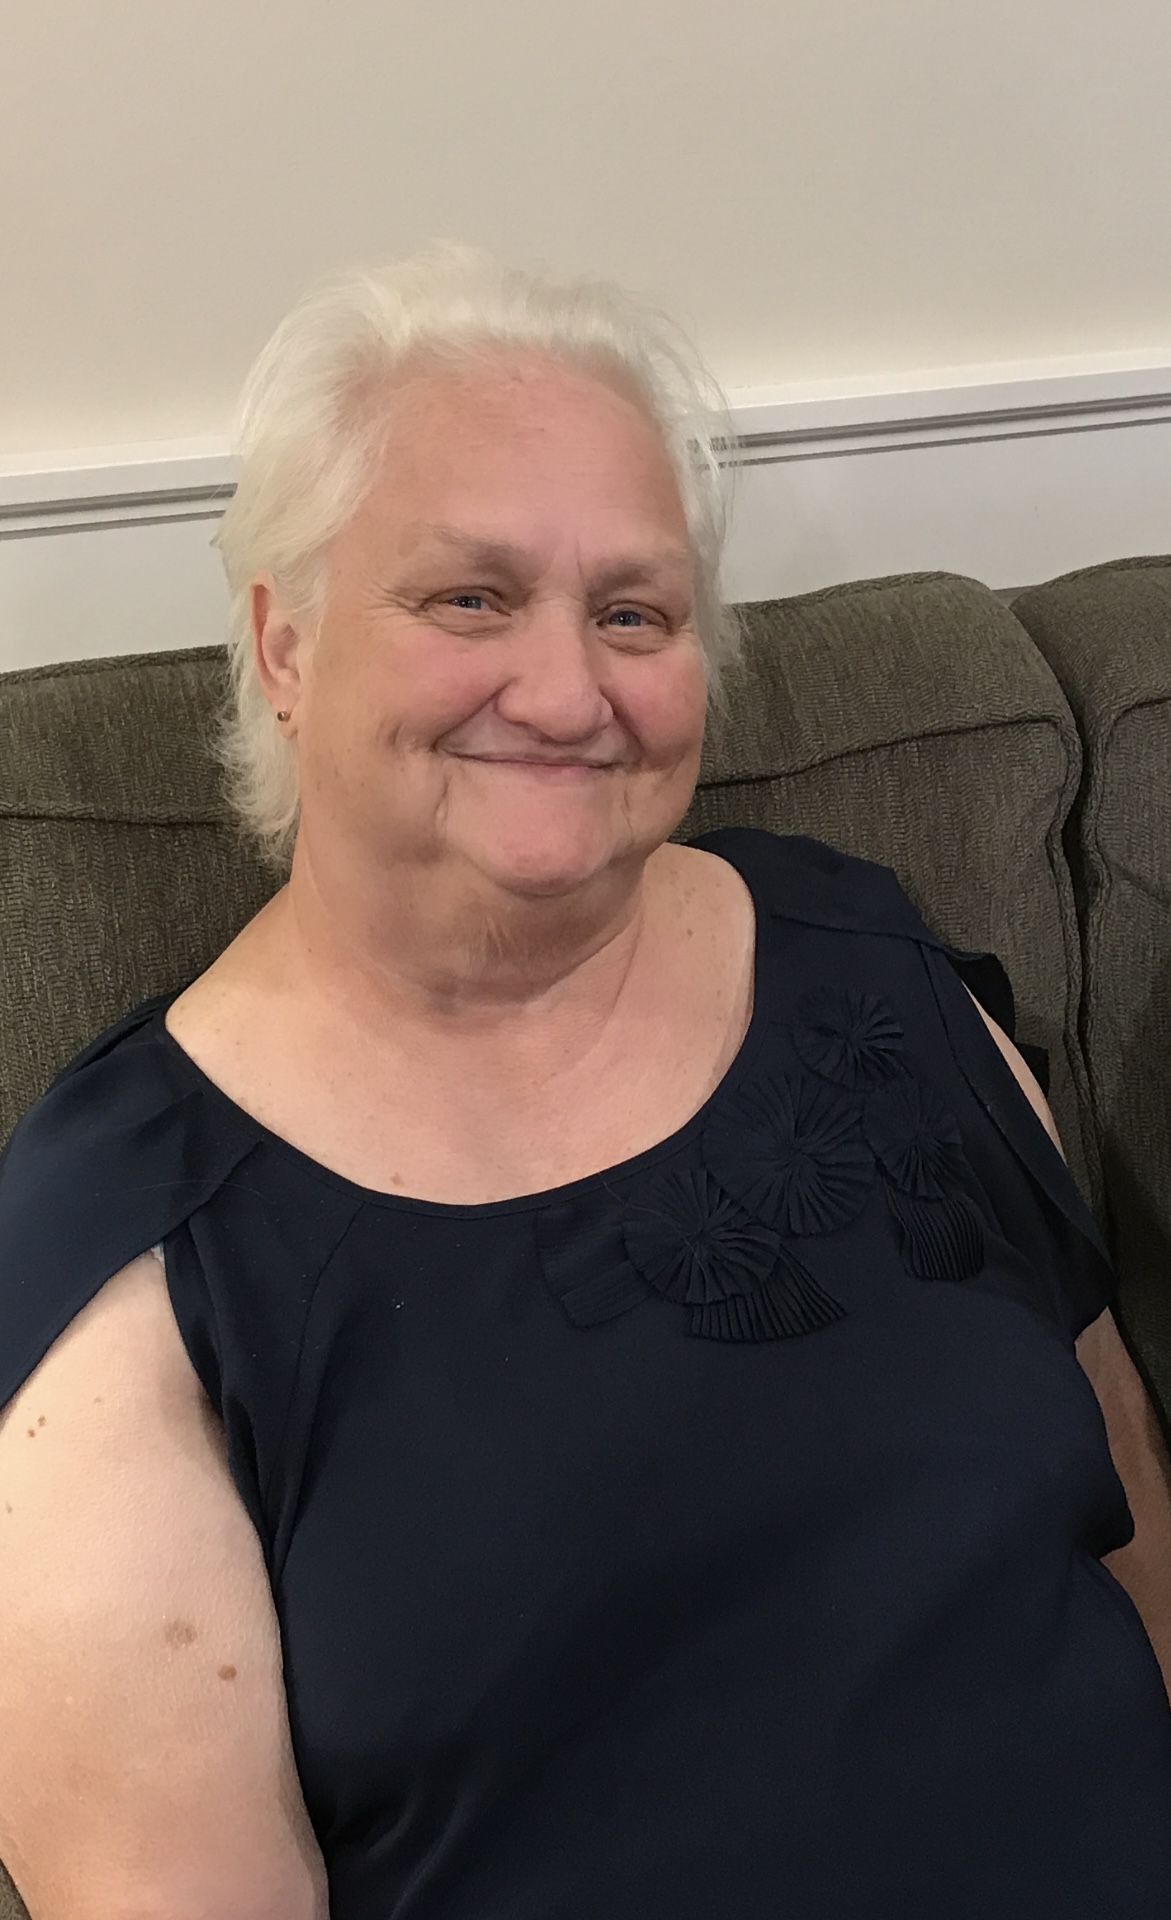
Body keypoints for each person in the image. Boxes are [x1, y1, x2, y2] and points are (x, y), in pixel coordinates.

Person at [1, 244, 1170, 1920]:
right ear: (283, 643)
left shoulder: (873, 968)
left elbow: (1125, 1512)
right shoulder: (126, 1262)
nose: (566, 694)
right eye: (468, 598)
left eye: (633, 613)